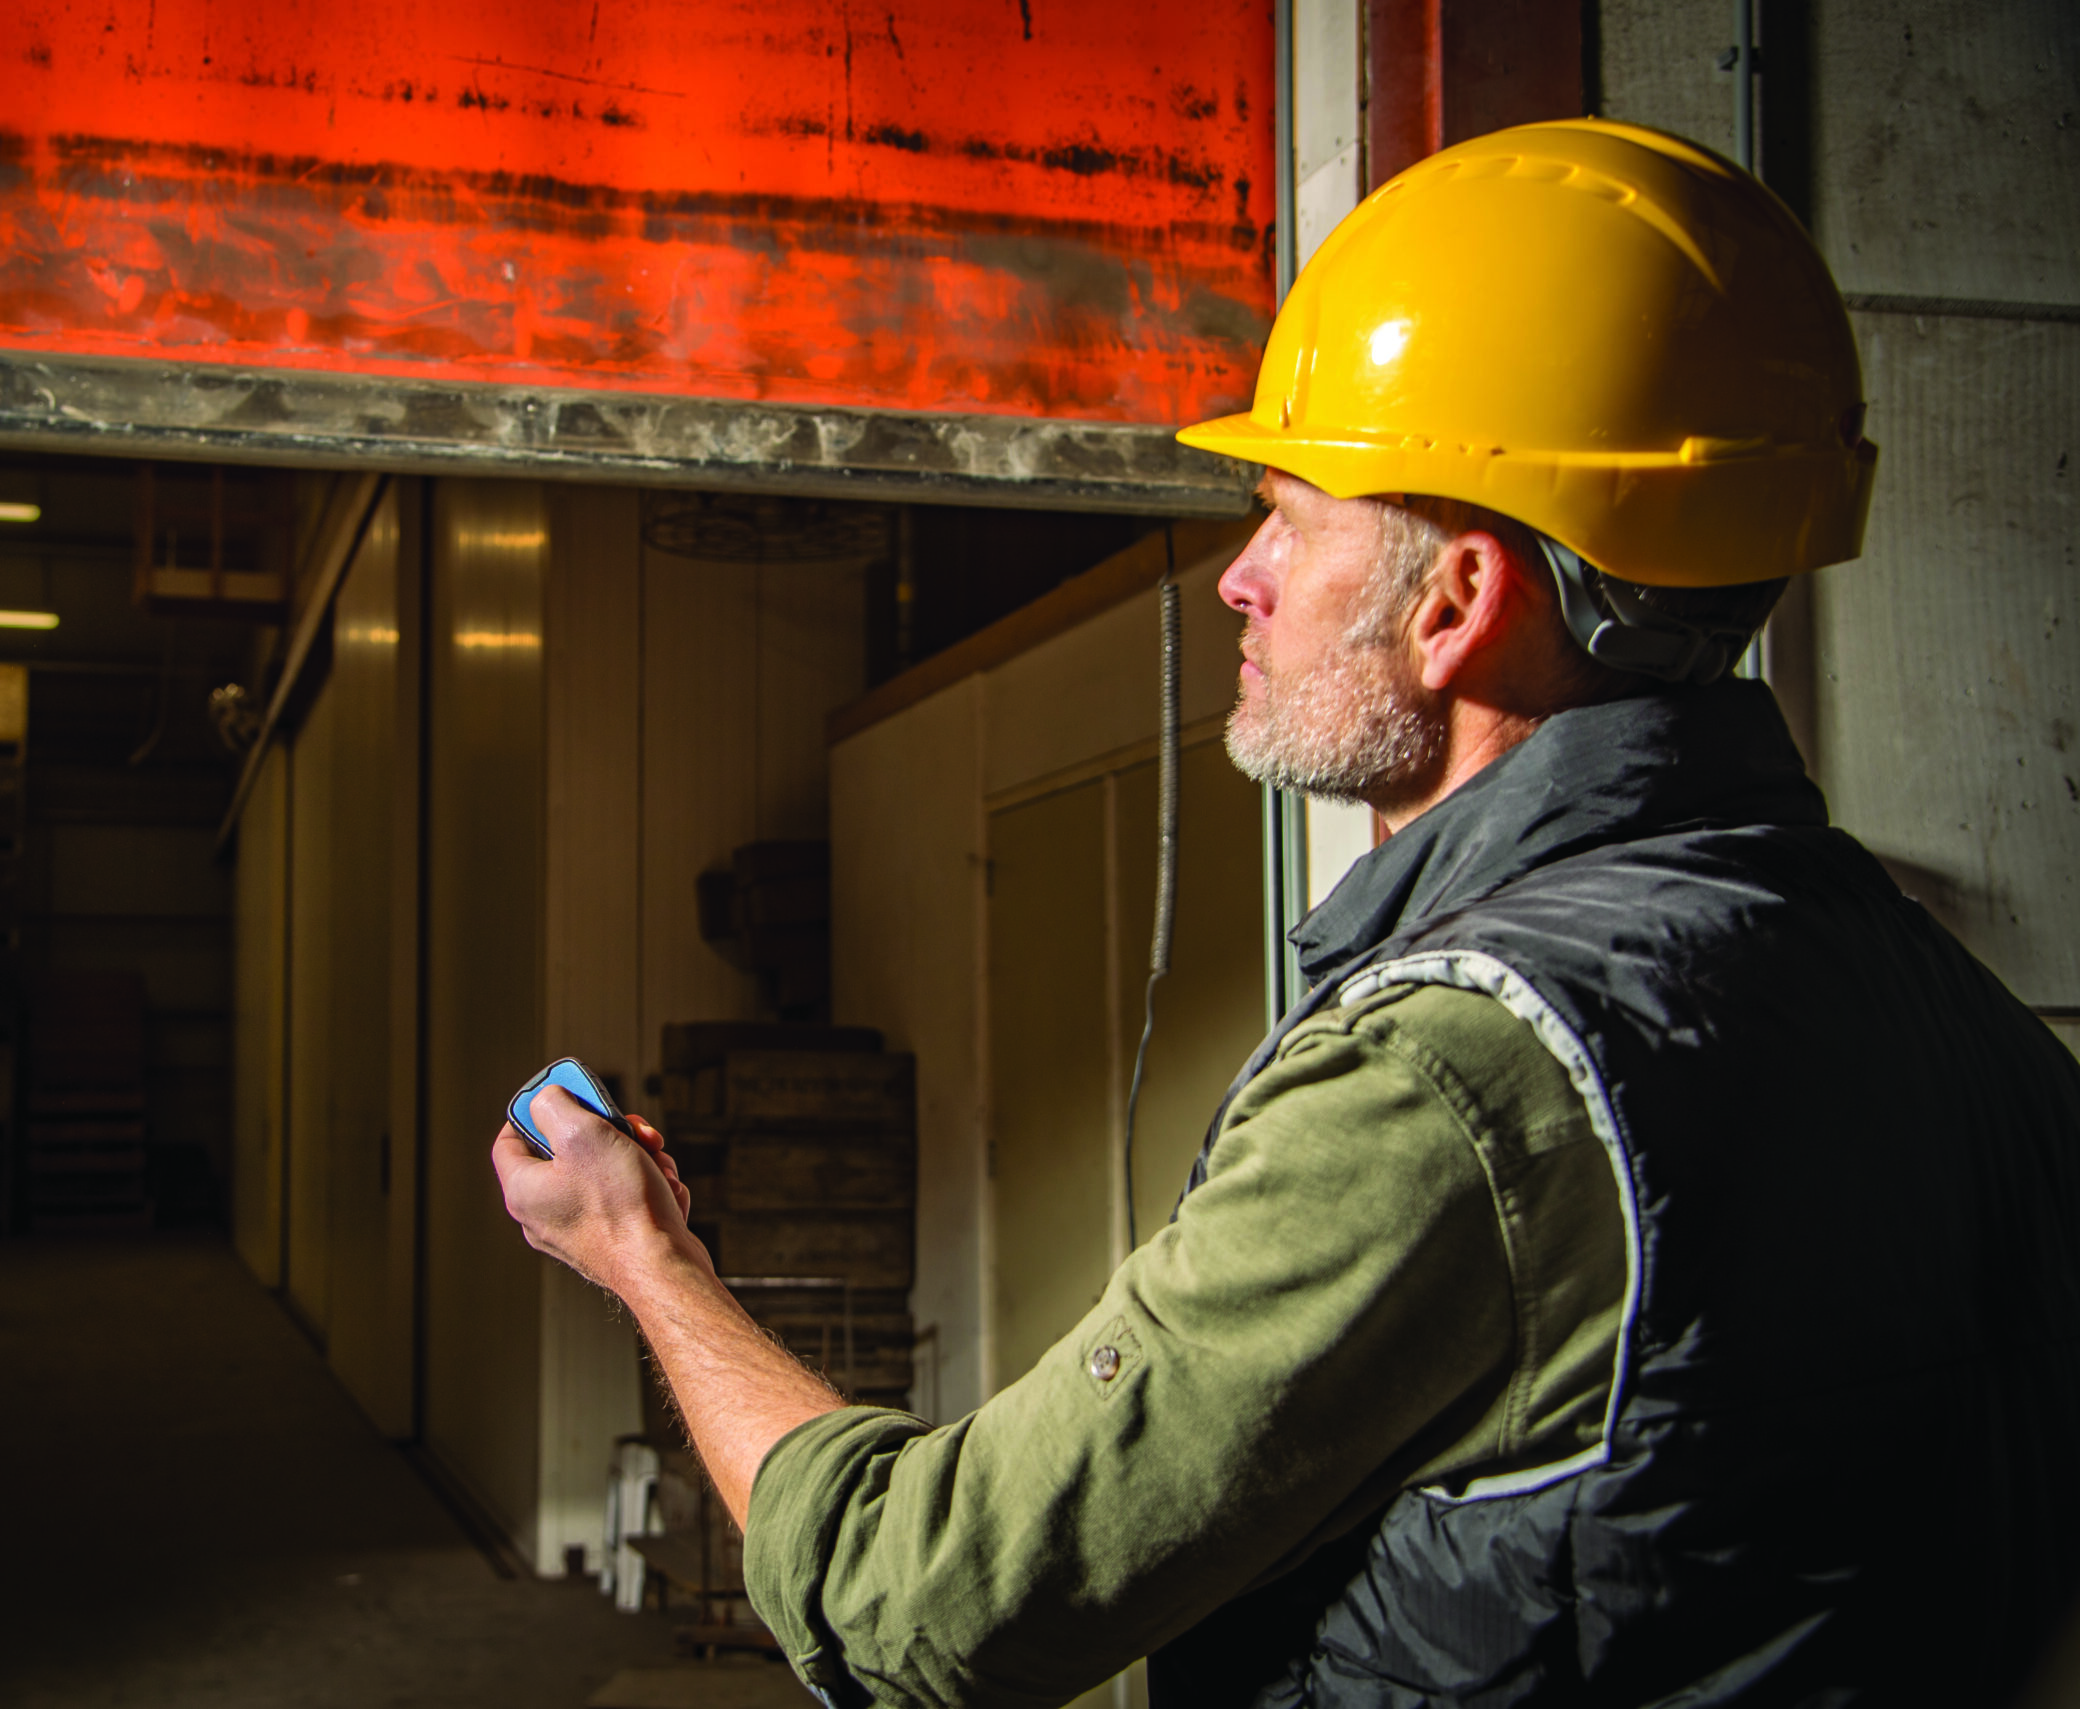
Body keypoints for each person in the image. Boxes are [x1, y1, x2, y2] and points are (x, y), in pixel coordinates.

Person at [495, 119, 2080, 1706]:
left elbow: (915, 1608)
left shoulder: (1454, 1084)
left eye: (1291, 518)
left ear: (1455, 603)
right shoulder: (1956, 1018)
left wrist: (645, 1253)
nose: (1238, 579)